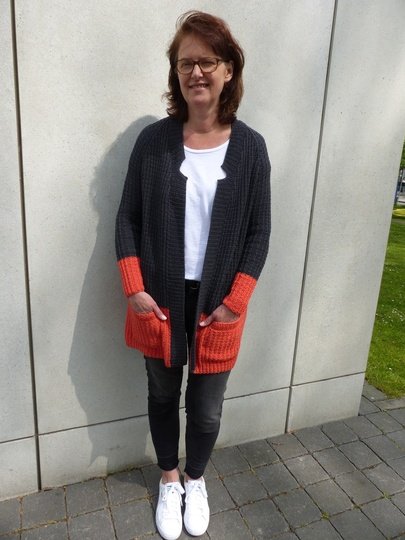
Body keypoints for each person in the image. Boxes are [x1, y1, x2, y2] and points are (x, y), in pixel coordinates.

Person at [115, 10, 271, 540]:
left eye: (207, 61)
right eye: (186, 63)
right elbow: (127, 217)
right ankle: (168, 479)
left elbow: (259, 232)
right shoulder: (153, 142)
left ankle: (196, 479)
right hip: (160, 298)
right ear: (175, 72)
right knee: (162, 394)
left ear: (229, 70)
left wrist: (235, 301)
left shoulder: (250, 148)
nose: (196, 72)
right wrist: (134, 288)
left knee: (206, 411)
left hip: (217, 303)